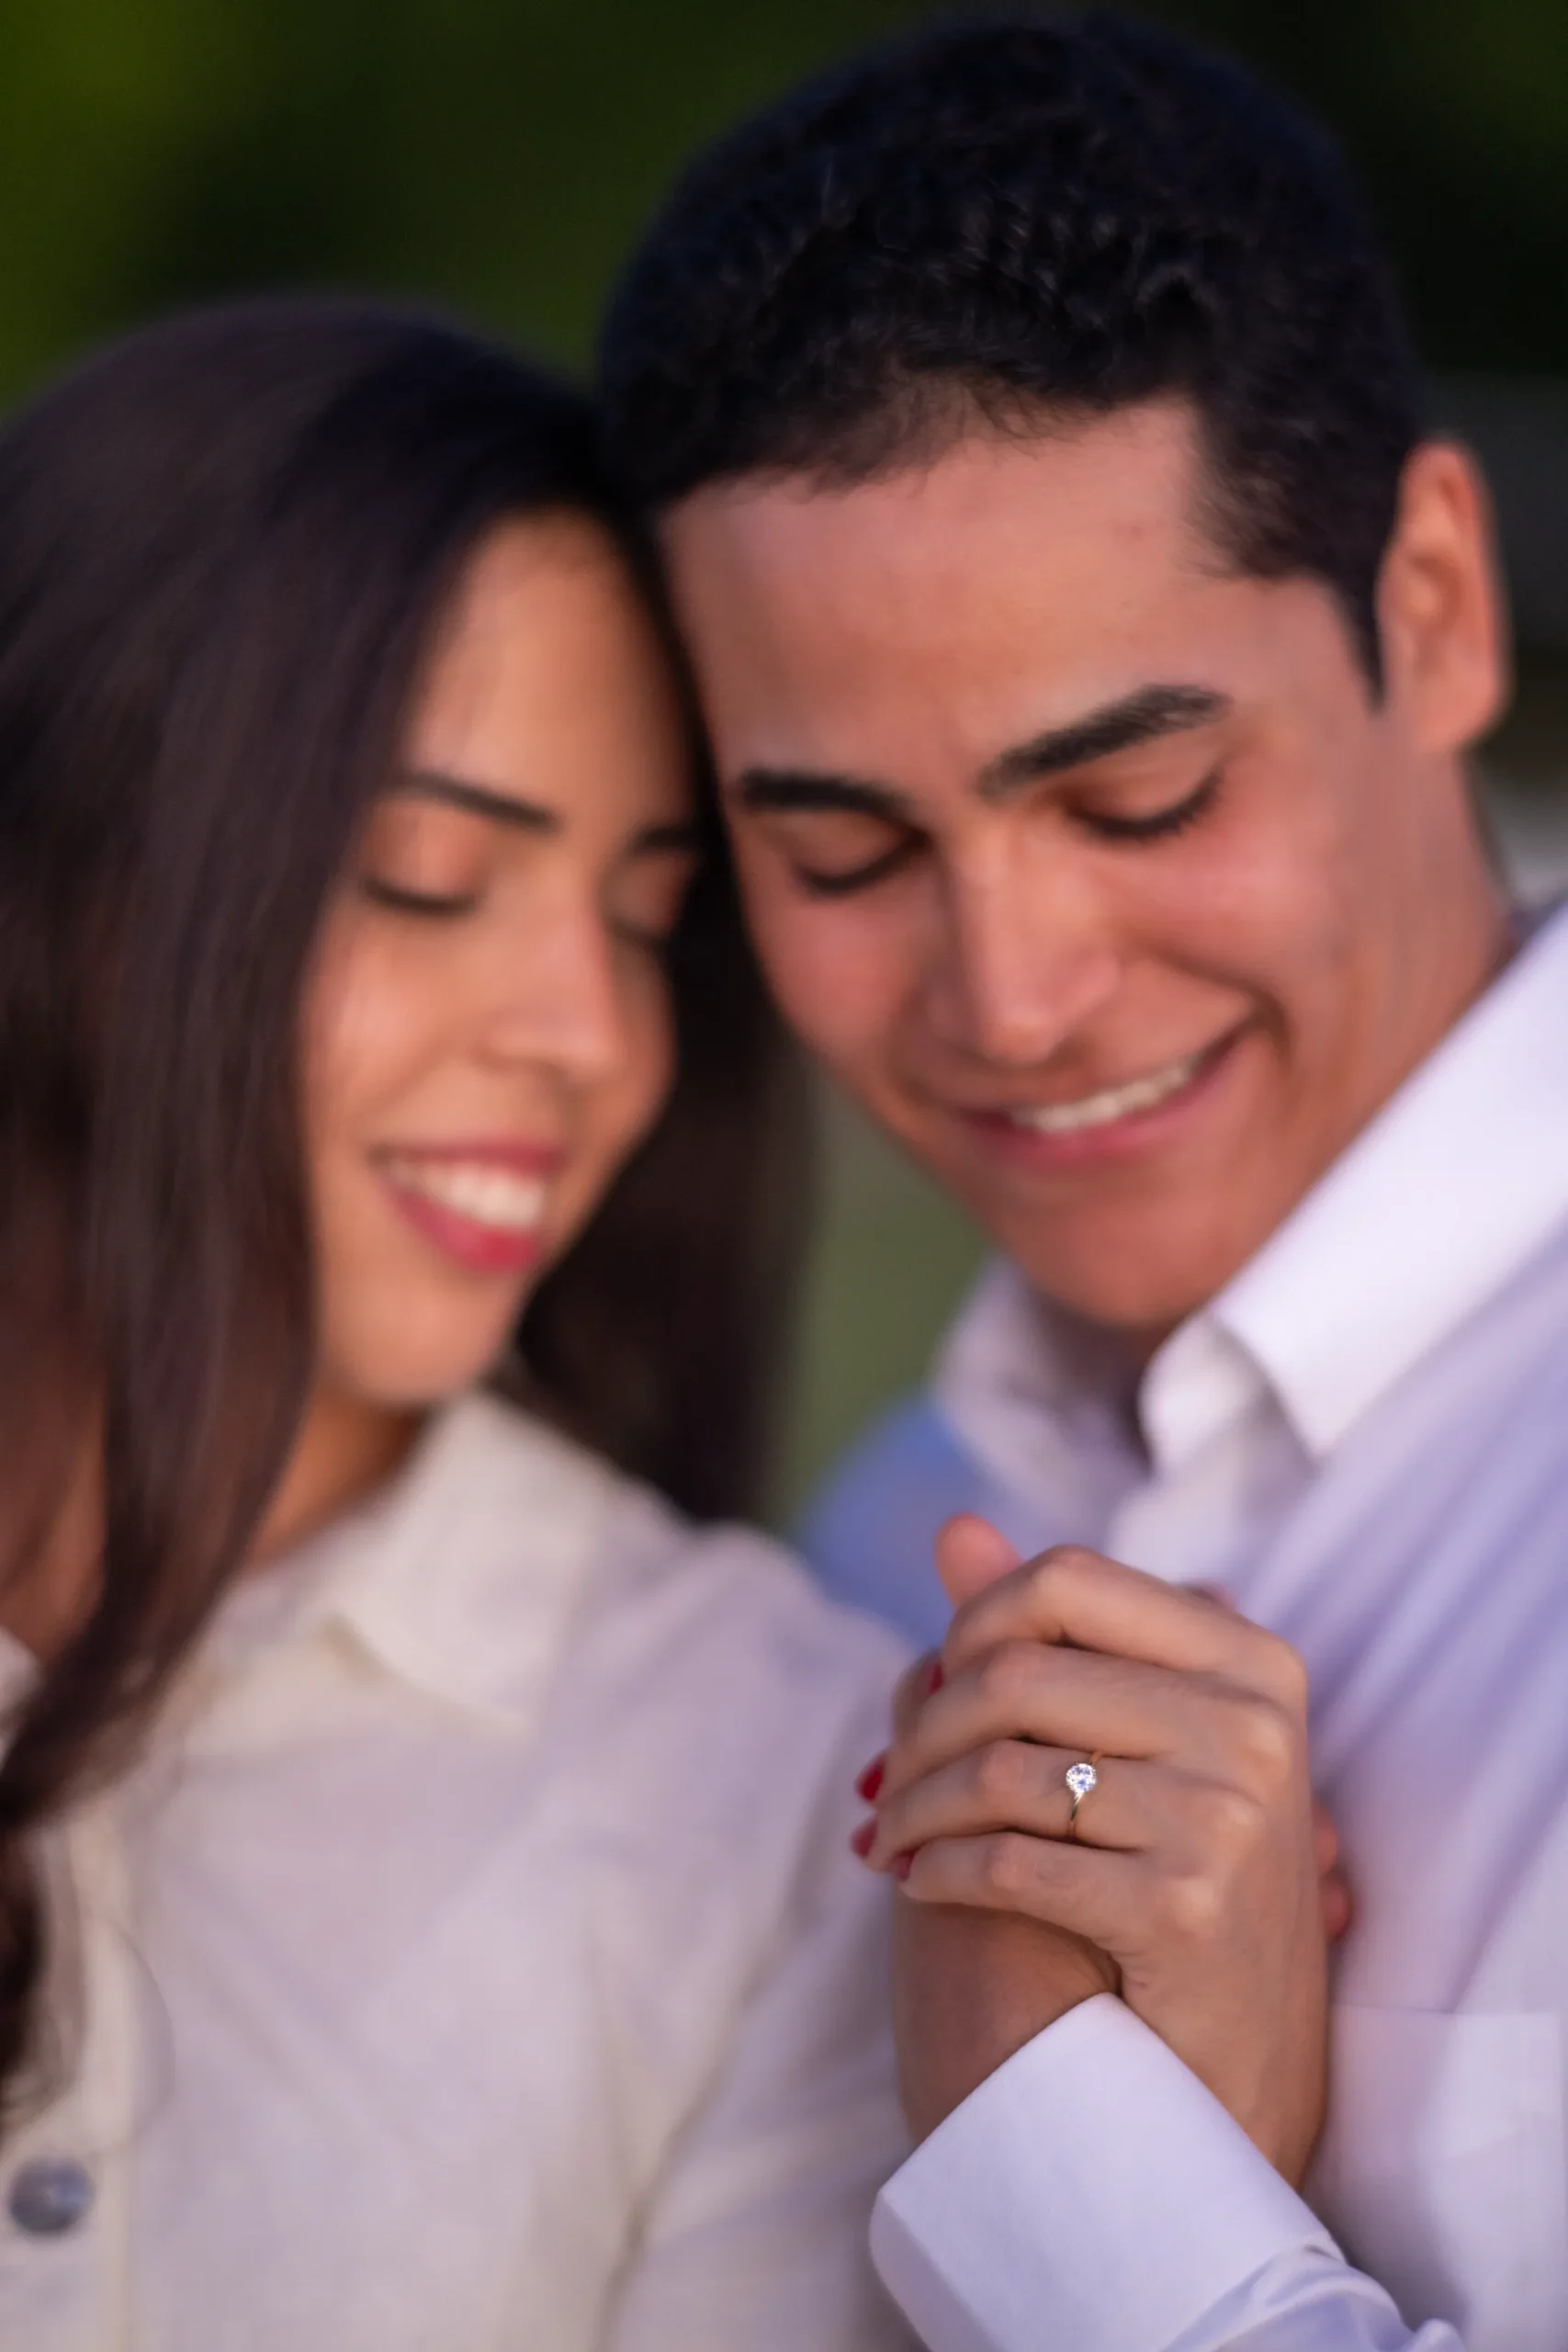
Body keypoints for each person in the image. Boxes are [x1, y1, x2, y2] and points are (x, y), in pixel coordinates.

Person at [601, 12, 1568, 2348]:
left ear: (1429, 604)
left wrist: (1089, 2184)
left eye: (1136, 798)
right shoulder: (868, 1550)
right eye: (839, 848)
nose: (1012, 998)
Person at [0, 296, 918, 2349]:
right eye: (428, 877)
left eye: (646, 916)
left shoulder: (780, 1781)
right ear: (70, 874)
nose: (593, 1039)